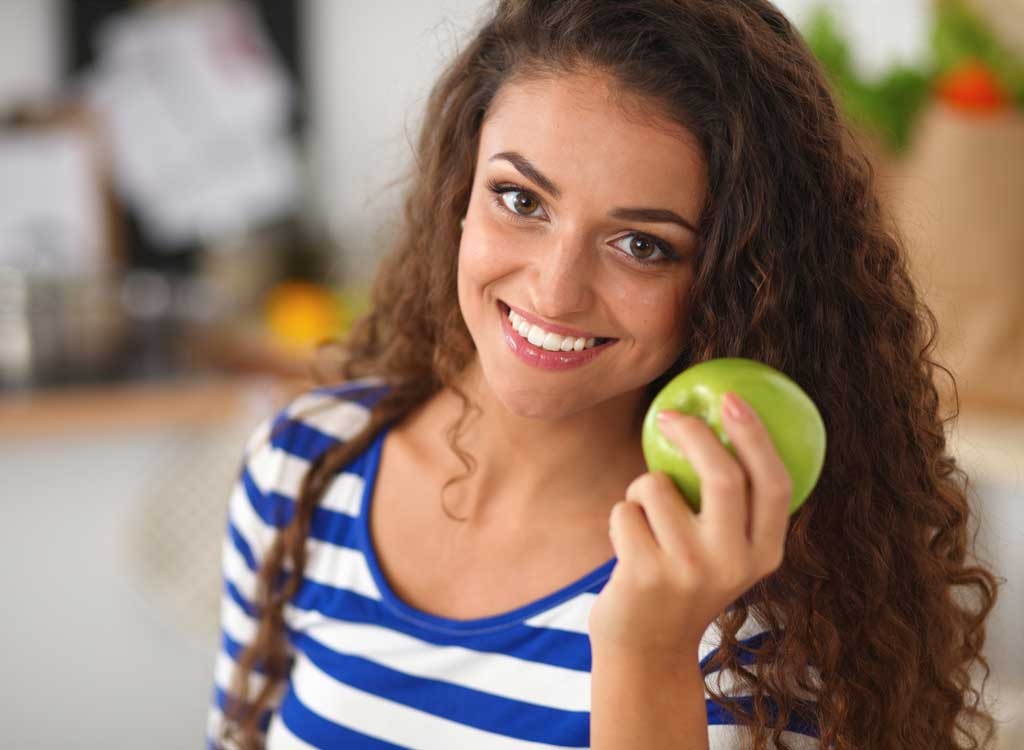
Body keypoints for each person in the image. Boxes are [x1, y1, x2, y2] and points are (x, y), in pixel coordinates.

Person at [206, 1, 1000, 748]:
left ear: (736, 282)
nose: (555, 291)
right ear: (459, 189)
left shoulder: (766, 615)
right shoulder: (307, 467)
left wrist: (647, 648)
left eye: (643, 245)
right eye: (520, 199)